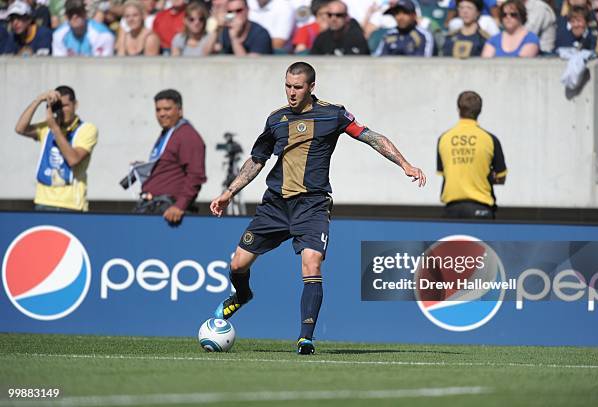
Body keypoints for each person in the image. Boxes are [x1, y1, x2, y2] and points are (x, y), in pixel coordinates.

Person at [209, 62, 426, 354]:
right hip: (275, 205)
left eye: (297, 87)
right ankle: (243, 295)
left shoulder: (333, 114)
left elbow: (372, 137)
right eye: (287, 86)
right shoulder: (276, 119)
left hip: (312, 204)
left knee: (312, 263)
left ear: (312, 87)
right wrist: (228, 192)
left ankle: (305, 338)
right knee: (237, 265)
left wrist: (405, 165)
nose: (291, 93)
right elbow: (257, 160)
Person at [14, 86, 98, 211]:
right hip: (43, 202)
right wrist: (38, 100)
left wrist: (55, 128)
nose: (62, 111)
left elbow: (73, 159)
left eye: (65, 106)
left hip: (72, 206)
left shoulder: (87, 129)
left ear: (75, 104)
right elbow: (20, 128)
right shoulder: (47, 128)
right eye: (58, 107)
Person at [132, 89, 207, 224]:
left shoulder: (187, 135)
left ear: (180, 110)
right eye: (158, 110)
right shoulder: (168, 133)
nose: (161, 114)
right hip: (152, 206)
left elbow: (196, 175)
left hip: (170, 212)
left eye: (167, 109)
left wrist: (179, 206)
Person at [436, 91, 507, 219]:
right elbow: (501, 177)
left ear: (458, 109)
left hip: (451, 210)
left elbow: (445, 173)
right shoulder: (490, 139)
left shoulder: (444, 138)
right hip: (481, 209)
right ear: (479, 111)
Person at [203, 0, 273, 55]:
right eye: (230, 12)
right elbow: (204, 56)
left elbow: (250, 67)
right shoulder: (225, 31)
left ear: (247, 10)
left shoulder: (260, 34)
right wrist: (217, 29)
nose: (235, 15)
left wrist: (234, 39)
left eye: (239, 11)